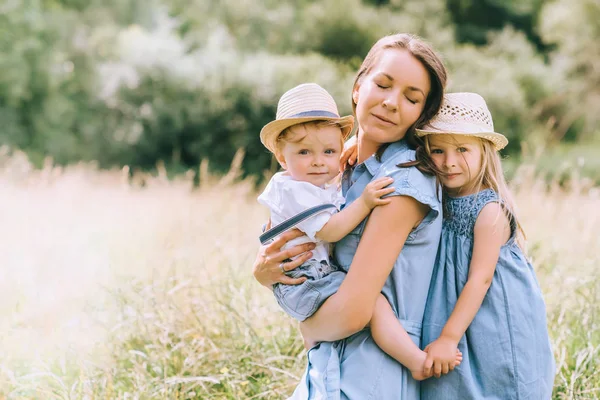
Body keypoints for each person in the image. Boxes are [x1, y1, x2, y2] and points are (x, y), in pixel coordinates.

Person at [253, 33, 449, 399]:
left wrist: (307, 329)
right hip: (329, 366)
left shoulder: (399, 183)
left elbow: (355, 311)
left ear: (421, 113)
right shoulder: (336, 169)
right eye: (383, 84)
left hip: (369, 374)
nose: (391, 103)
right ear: (358, 88)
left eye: (411, 97)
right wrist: (264, 272)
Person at [415, 92, 555, 399]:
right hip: (451, 305)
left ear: (484, 152)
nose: (449, 162)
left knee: (499, 378)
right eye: (438, 150)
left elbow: (481, 279)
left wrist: (449, 337)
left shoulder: (489, 210)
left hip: (492, 313)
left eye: (462, 149)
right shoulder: (439, 197)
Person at [257, 82, 396, 321]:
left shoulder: (315, 183)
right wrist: (364, 202)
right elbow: (330, 231)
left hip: (314, 276)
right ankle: (414, 358)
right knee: (373, 303)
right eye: (304, 152)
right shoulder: (295, 190)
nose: (318, 161)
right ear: (281, 157)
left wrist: (356, 143)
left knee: (371, 305)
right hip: (304, 281)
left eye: (328, 152)